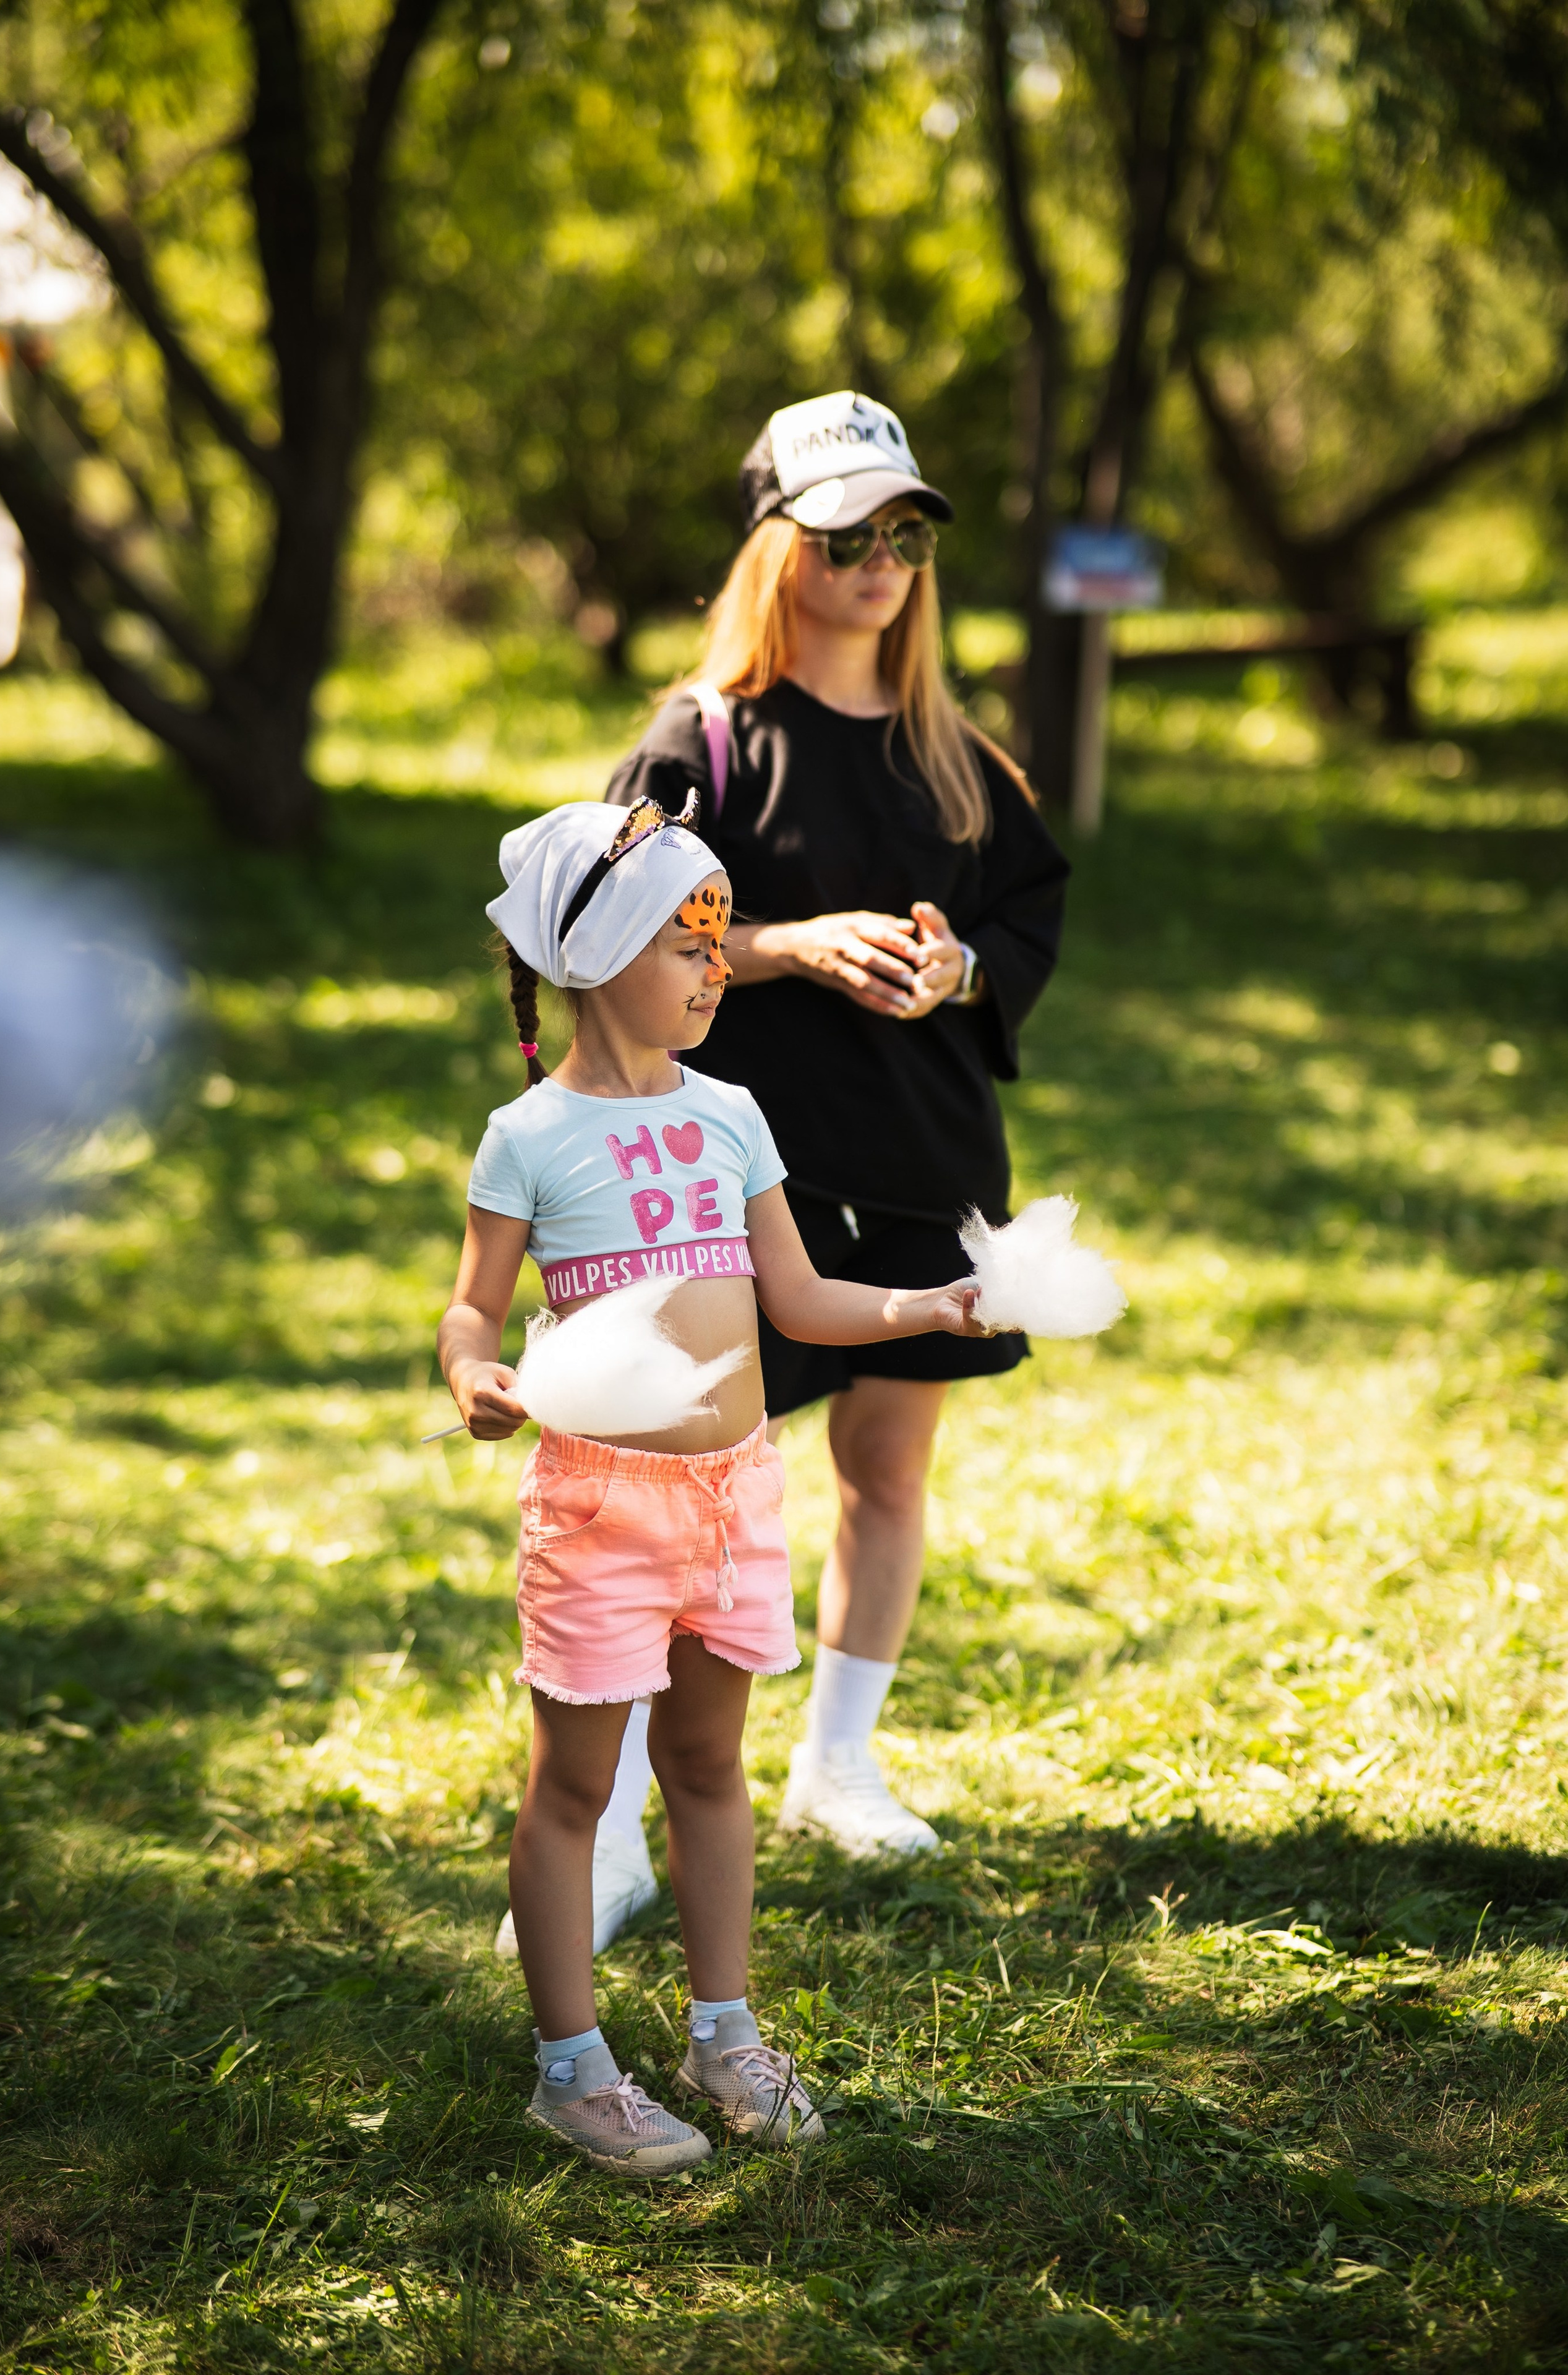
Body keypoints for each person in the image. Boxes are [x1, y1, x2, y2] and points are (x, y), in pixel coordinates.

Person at [438, 791, 997, 2176]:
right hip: (599, 1507)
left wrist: (924, 1306)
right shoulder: (529, 1136)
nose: (714, 969)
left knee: (707, 1767)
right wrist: (475, 1376)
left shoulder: (733, 1114)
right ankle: (571, 2070)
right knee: (574, 1790)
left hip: (732, 1501)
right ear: (595, 957)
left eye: (715, 944)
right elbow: (472, 1309)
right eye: (687, 946)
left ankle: (722, 2038)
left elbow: (796, 1299)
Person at [590, 390, 1069, 1875]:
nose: (879, 564)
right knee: (687, 1489)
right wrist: (782, 947)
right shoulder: (701, 742)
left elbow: (1024, 916)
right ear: (774, 544)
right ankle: (613, 1815)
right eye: (846, 533)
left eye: (905, 536)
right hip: (735, 1183)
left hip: (923, 1163)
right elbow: (606, 937)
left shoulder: (956, 754)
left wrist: (961, 969)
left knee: (887, 1468)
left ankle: (837, 1766)